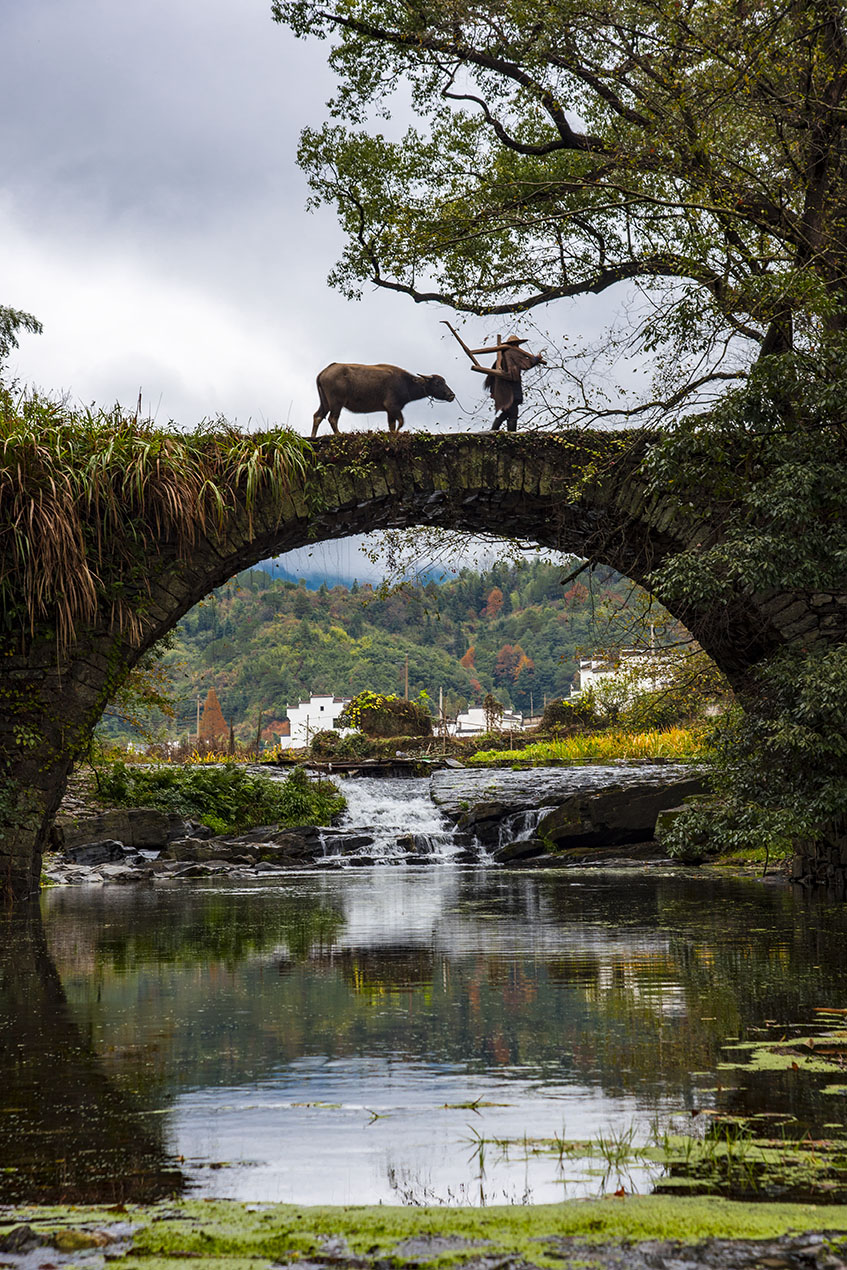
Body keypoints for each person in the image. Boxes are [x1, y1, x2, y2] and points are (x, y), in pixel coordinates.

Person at [474, 334, 545, 431]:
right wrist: (536, 359)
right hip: (511, 388)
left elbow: (492, 377)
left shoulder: (502, 355)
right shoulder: (513, 353)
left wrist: (493, 391)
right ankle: (511, 434)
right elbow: (525, 364)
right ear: (515, 344)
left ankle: (495, 429)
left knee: (508, 411)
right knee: (513, 412)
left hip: (502, 390)